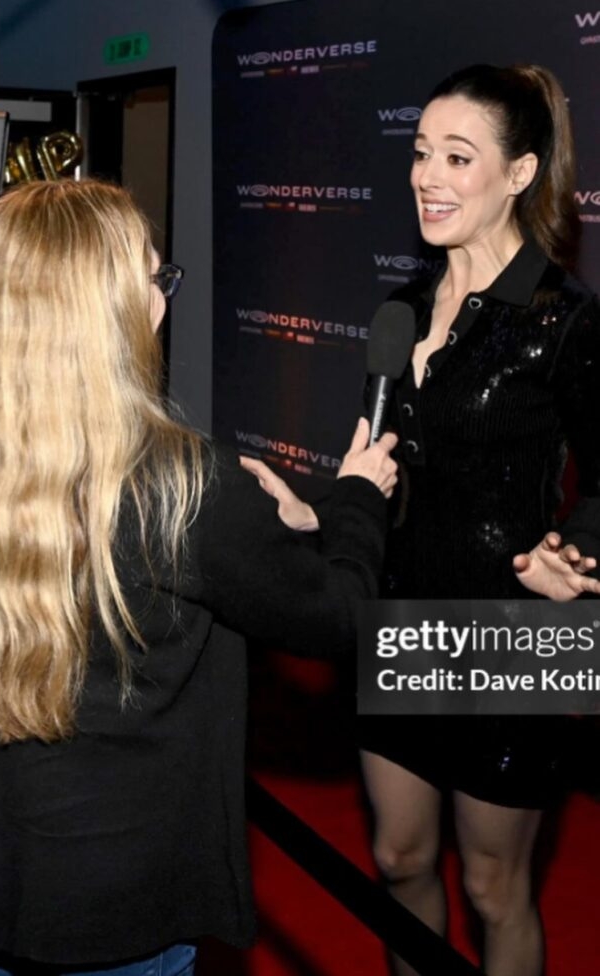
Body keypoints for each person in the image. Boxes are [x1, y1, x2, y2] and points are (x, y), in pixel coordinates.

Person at [0, 178, 398, 976]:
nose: (162, 302)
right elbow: (341, 619)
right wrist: (351, 505)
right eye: (154, 280)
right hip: (124, 911)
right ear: (119, 313)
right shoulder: (186, 488)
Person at [356, 64, 600, 976]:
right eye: (420, 153)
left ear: (519, 173)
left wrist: (572, 558)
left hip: (515, 627)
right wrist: (321, 504)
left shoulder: (563, 322)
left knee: (497, 890)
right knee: (397, 860)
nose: (427, 176)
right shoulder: (400, 307)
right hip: (400, 606)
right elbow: (377, 460)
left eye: (457, 157)